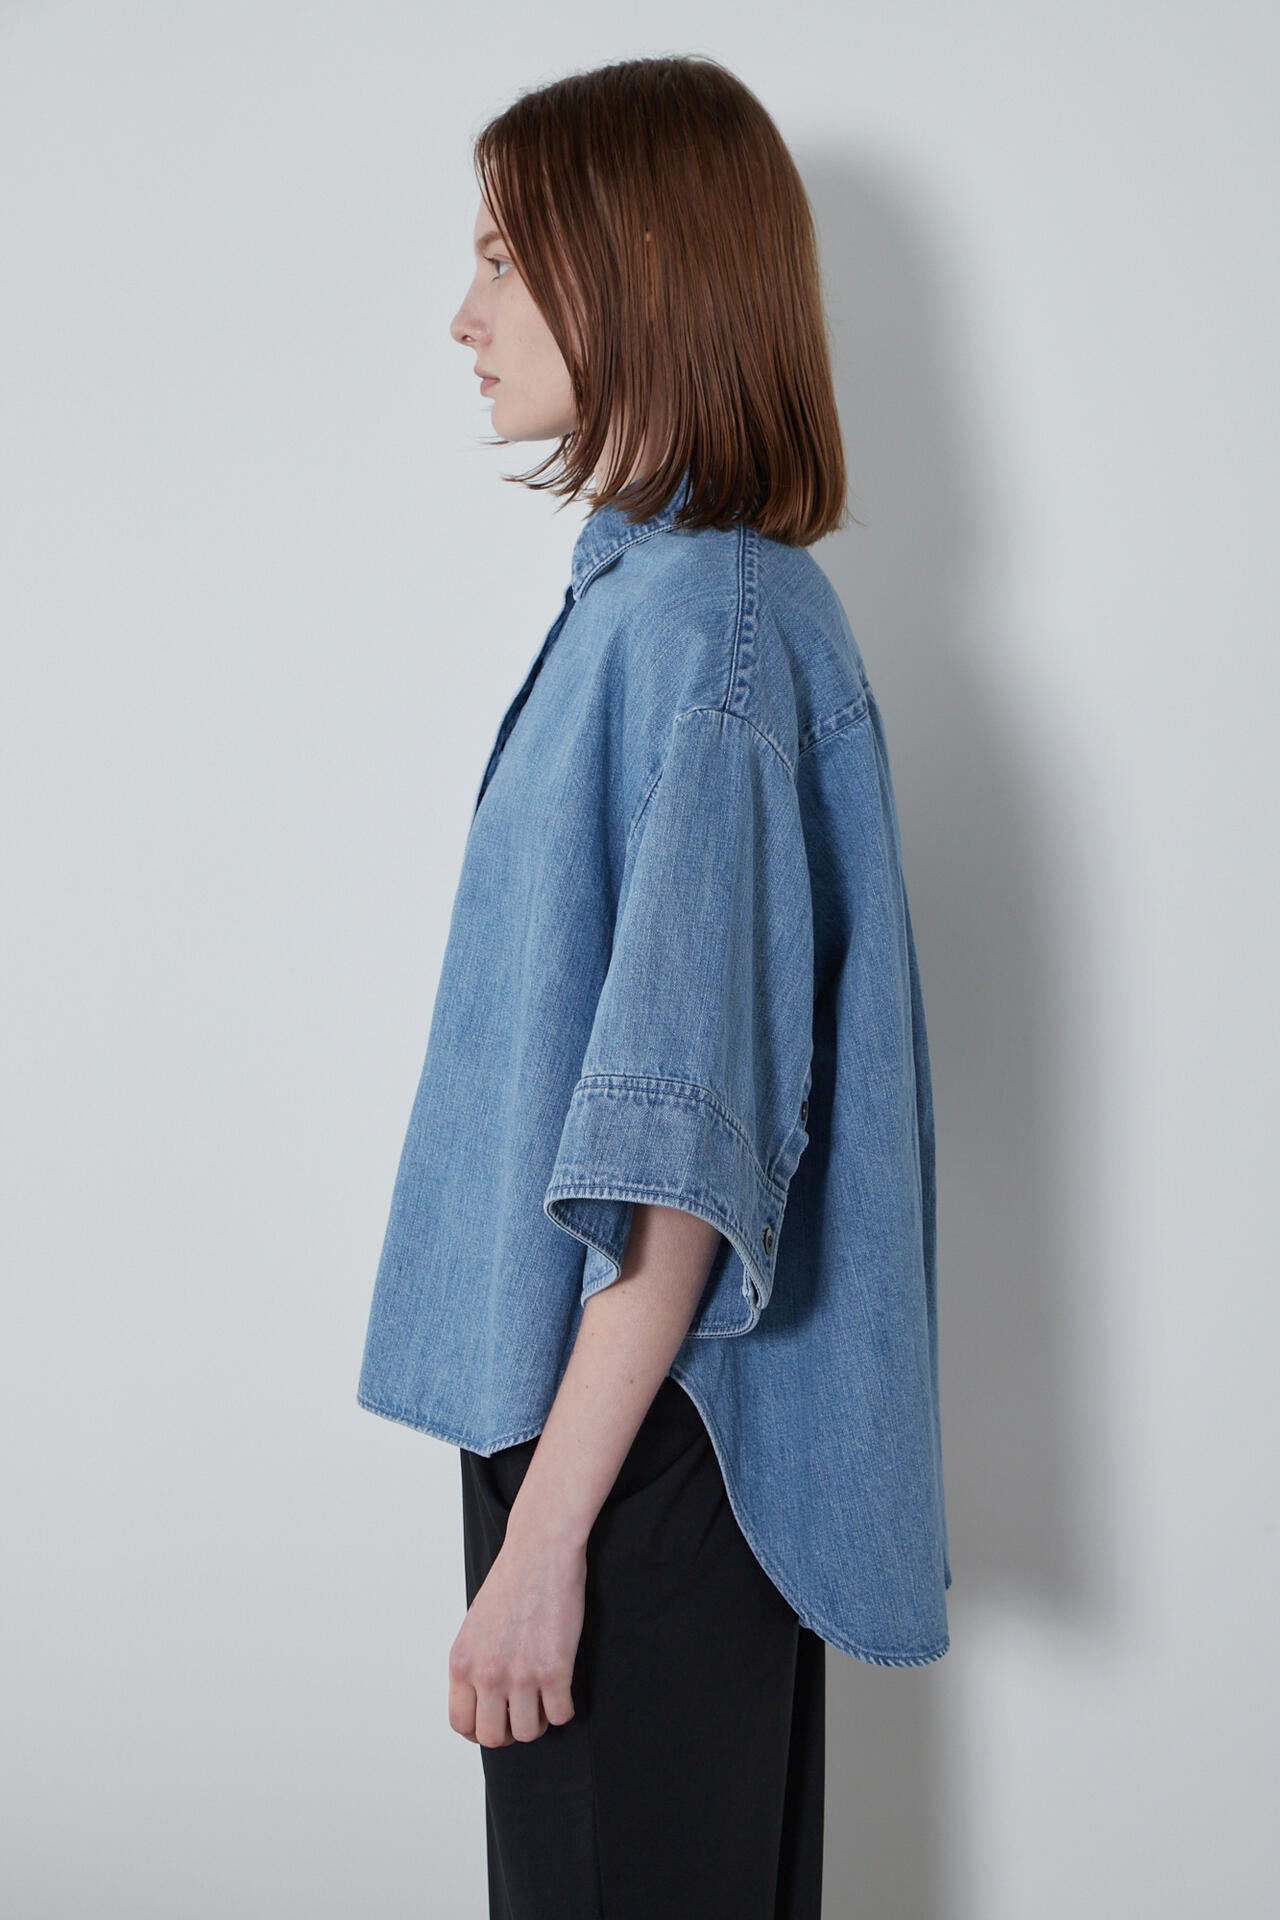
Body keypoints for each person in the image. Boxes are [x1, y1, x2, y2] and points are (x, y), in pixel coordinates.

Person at [356, 52, 951, 1920]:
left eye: (501, 257)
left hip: (645, 1452)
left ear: (631, 268)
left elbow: (681, 1151)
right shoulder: (657, 604)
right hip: (617, 1431)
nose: (463, 315)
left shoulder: (713, 626)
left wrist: (549, 1542)